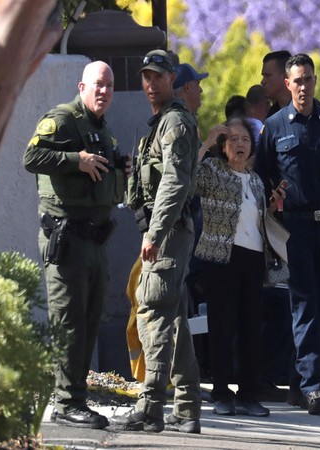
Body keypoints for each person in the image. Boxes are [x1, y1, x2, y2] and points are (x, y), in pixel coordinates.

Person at [23, 61, 127, 429]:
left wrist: (121, 166)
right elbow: (31, 157)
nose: (104, 91)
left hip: (95, 242)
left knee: (89, 319)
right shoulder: (64, 119)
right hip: (66, 240)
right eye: (98, 85)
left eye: (110, 86)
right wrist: (75, 160)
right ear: (81, 86)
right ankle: (67, 403)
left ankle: (76, 398)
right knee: (69, 322)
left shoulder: (102, 130)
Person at [255, 53, 320, 415]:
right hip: (294, 227)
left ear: (315, 81)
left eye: (309, 80)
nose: (303, 87)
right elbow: (261, 173)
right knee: (304, 304)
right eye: (297, 80)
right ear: (287, 84)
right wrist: (272, 196)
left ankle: (298, 384)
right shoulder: (276, 125)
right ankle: (314, 387)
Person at [109, 49, 201, 434]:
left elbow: (175, 183)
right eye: (146, 77)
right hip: (167, 232)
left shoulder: (175, 122)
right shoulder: (160, 125)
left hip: (168, 234)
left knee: (153, 313)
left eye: (158, 77)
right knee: (174, 319)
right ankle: (187, 409)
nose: (150, 84)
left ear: (173, 81)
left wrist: (155, 233)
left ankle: (151, 406)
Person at [195, 116, 284, 418]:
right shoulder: (211, 169)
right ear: (223, 145)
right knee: (222, 327)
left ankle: (249, 394)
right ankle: (221, 392)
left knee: (250, 329)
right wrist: (205, 144)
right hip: (221, 257)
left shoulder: (257, 180)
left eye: (244, 139)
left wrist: (271, 208)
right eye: (232, 139)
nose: (239, 144)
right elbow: (186, 179)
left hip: (253, 259)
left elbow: (256, 220)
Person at [261, 50, 292, 117]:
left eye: (268, 75)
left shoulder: (309, 111)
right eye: (263, 76)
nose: (262, 81)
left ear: (286, 76)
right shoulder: (271, 115)